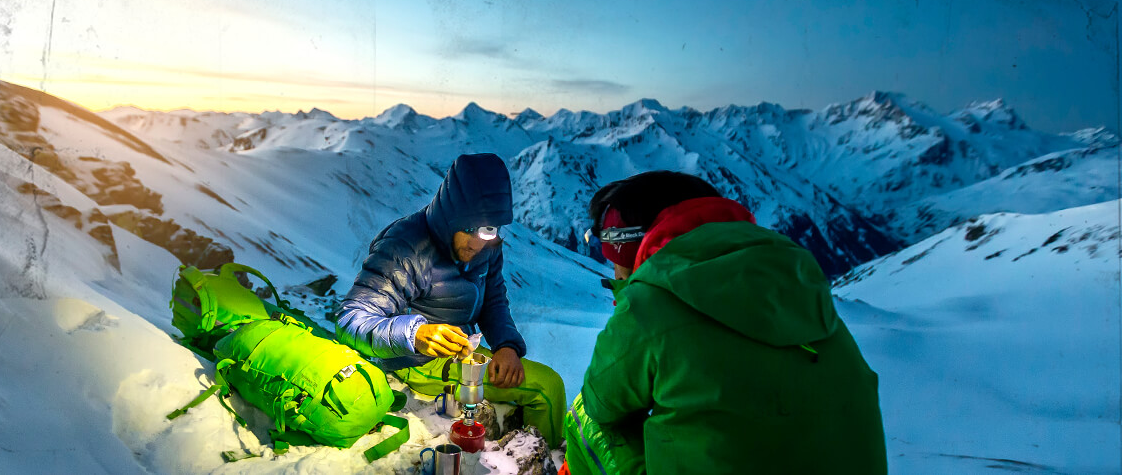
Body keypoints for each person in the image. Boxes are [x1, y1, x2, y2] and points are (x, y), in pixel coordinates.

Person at [562, 171, 886, 474]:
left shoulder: (650, 303)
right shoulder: (803, 288)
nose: (613, 269)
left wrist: (630, 297)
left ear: (631, 246)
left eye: (610, 249)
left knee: (584, 416)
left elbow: (601, 402)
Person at [335, 153, 566, 447]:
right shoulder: (404, 248)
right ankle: (549, 460)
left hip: (460, 350)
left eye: (488, 230)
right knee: (546, 388)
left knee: (547, 384)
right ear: (449, 218)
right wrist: (415, 334)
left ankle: (538, 460)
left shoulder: (487, 245)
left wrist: (506, 345)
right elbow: (350, 320)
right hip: (415, 361)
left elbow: (493, 299)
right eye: (468, 229)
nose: (477, 243)